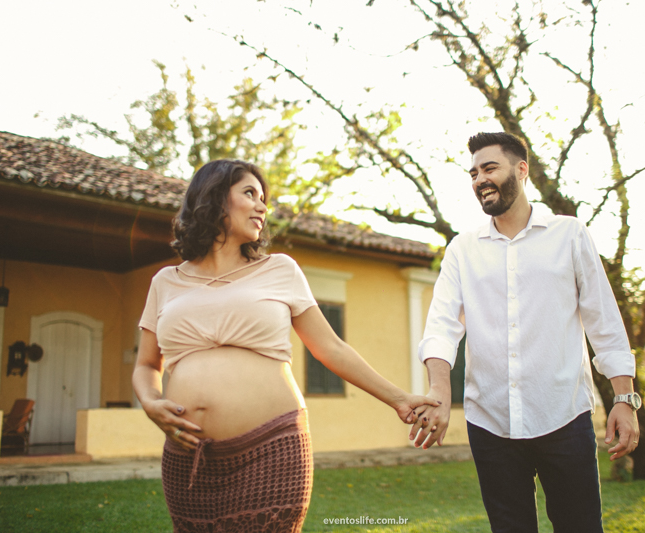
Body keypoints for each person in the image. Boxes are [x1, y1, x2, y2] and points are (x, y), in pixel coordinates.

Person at [133, 159, 438, 533]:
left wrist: (399, 398)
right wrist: (149, 403)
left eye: (264, 198)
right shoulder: (166, 281)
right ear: (213, 198)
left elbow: (330, 348)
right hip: (188, 456)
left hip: (272, 448)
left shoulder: (279, 270)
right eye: (250, 194)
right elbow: (147, 364)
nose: (263, 207)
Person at [410, 132, 640, 532]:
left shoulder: (570, 235)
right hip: (490, 422)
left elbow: (604, 322)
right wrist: (440, 392)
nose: (479, 178)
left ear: (521, 170)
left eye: (489, 168)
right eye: (473, 172)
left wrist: (625, 397)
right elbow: (442, 326)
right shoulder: (462, 250)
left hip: (564, 416)